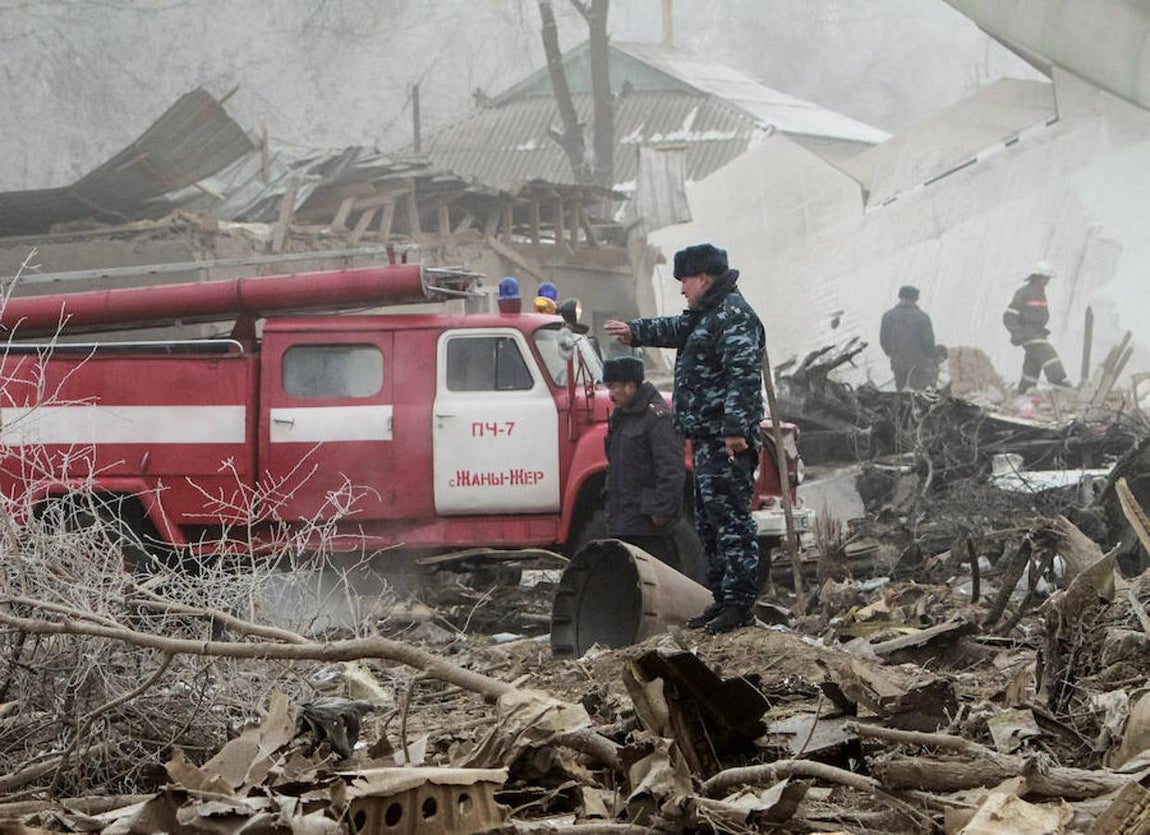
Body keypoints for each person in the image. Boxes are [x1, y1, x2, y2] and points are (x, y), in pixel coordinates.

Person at [605, 243, 765, 635]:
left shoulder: (733, 317)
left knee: (732, 523)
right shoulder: (707, 315)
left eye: (684, 282)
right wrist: (636, 332)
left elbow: (743, 377)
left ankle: (740, 603)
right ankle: (722, 600)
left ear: (703, 279)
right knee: (711, 524)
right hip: (707, 439)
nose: (682, 290)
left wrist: (734, 430)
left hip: (725, 442)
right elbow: (677, 328)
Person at [602, 355, 685, 558]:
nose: (610, 394)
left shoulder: (657, 418)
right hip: (624, 520)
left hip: (648, 525)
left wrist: (663, 510)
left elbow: (671, 468)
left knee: (659, 582)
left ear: (630, 386)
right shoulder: (621, 417)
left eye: (614, 387)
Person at [1003, 262, 1071, 393]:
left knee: (1033, 363)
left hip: (1039, 332)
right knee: (1048, 353)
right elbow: (1009, 315)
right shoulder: (1024, 292)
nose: (1047, 282)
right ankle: (1058, 382)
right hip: (1028, 332)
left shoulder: (1040, 293)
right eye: (1045, 278)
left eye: (1048, 279)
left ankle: (1025, 389)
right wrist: (1016, 332)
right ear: (1036, 277)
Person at [879, 285, 938, 391]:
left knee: (901, 392)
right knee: (917, 395)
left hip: (898, 363)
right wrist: (930, 357)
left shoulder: (888, 316)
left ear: (900, 297)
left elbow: (883, 340)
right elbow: (929, 343)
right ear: (916, 299)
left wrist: (892, 353)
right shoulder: (923, 317)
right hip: (919, 365)